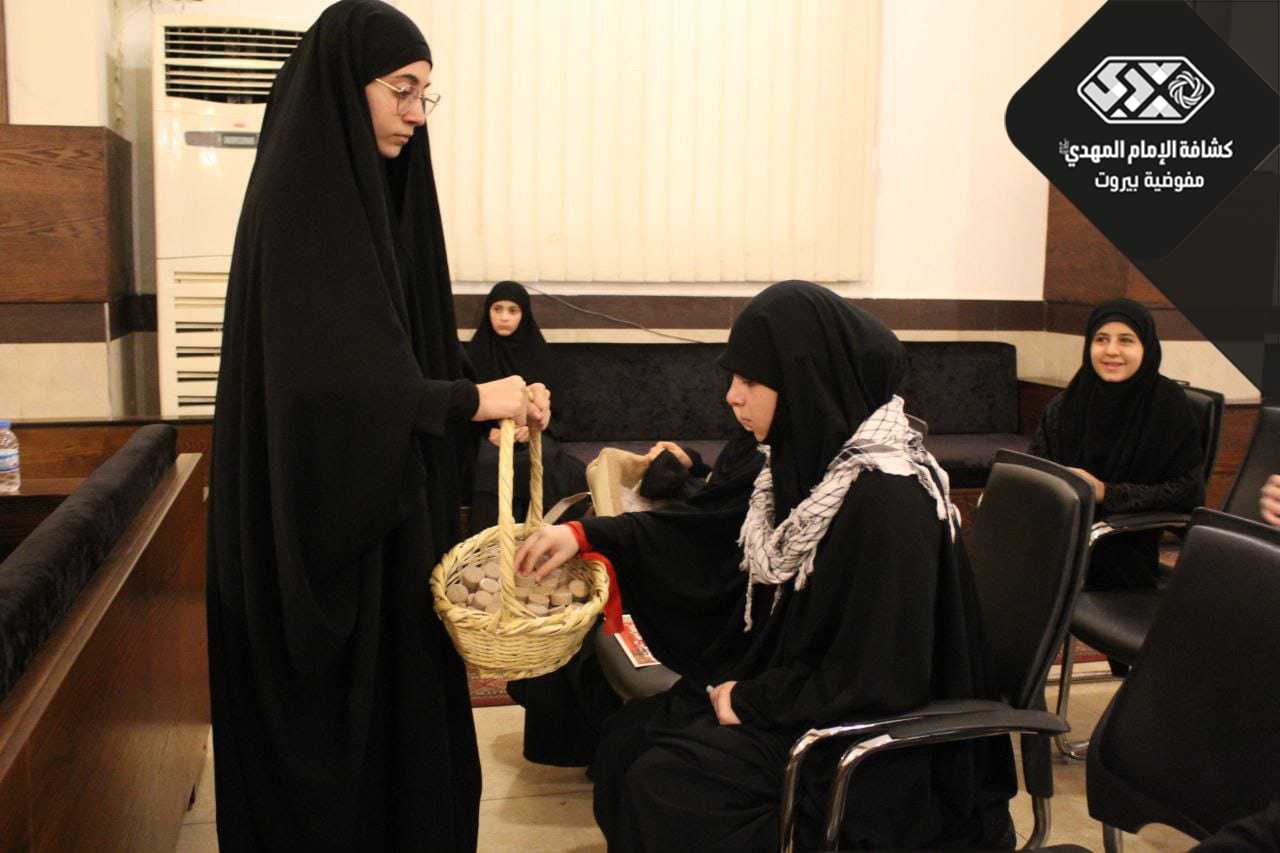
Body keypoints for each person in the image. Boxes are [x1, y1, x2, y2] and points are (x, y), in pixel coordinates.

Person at [205, 3, 548, 849]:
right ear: (343, 87)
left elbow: (405, 346)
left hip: (388, 527)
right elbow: (331, 390)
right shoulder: (301, 205)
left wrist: (487, 398)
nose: (416, 113)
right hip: (323, 536)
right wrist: (469, 403)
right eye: (401, 90)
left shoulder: (381, 200)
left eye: (426, 94)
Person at [515, 281, 1017, 850]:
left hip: (873, 742)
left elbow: (882, 672)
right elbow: (712, 534)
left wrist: (753, 701)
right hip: (810, 691)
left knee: (664, 784)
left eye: (750, 381)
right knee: (631, 737)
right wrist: (588, 535)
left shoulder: (889, 499)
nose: (732, 397)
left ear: (806, 380)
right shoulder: (808, 465)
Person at [1029, 298, 1204, 590]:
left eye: (1126, 340)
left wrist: (1105, 492)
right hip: (1055, 535)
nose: (1111, 350)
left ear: (1146, 347)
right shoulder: (1067, 403)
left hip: (1124, 551)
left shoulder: (1168, 407)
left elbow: (1187, 491)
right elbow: (1038, 468)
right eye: (1101, 339)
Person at [464, 281, 587, 533]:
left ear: (524, 314)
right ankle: (491, 543)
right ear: (488, 312)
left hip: (532, 437)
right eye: (497, 309)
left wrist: (533, 428)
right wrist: (488, 432)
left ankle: (541, 537)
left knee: (545, 461)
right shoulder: (473, 356)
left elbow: (558, 414)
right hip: (487, 438)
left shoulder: (539, 355)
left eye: (513, 310)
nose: (504, 318)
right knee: (490, 464)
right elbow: (462, 407)